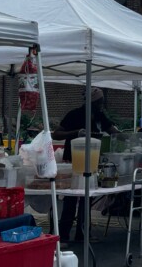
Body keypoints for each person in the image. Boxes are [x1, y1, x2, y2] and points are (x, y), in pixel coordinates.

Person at [52, 87, 121, 246]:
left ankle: (82, 234)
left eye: (102, 102)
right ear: (91, 102)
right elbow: (56, 134)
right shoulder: (74, 114)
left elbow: (112, 131)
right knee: (70, 199)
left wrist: (130, 138)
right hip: (73, 161)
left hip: (91, 162)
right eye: (98, 102)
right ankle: (63, 235)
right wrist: (76, 133)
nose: (101, 105)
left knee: (86, 200)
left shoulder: (99, 116)